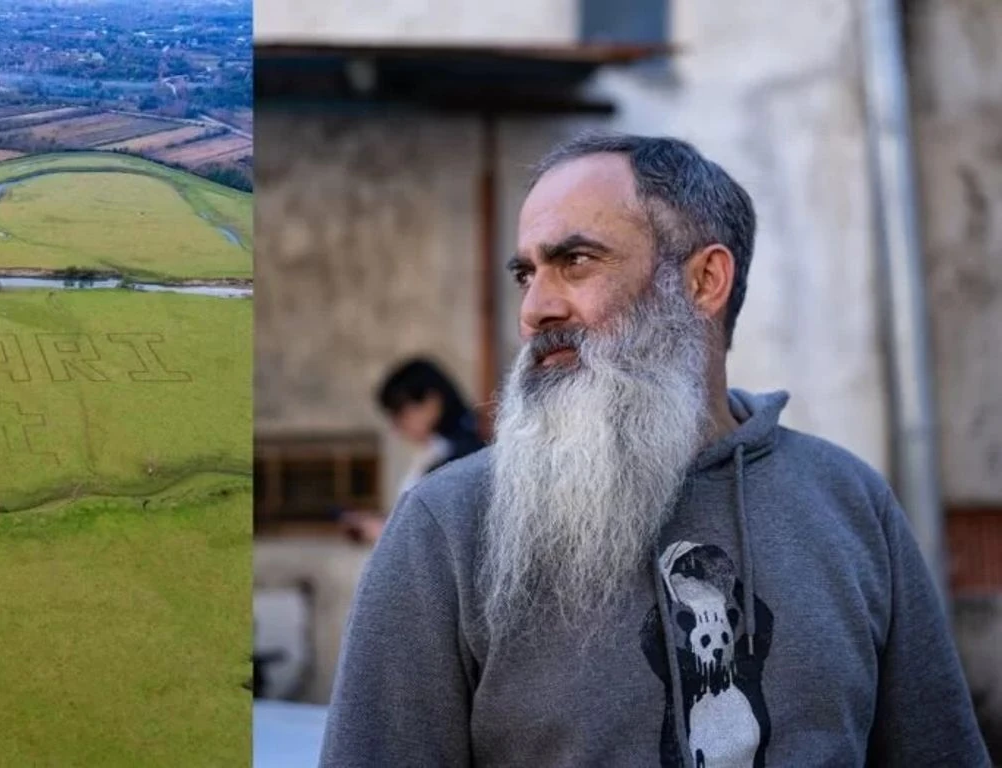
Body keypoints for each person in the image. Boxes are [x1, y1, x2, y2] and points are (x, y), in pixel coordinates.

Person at [319, 133, 991, 767]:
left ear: (704, 282)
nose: (535, 310)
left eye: (576, 262)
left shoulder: (850, 502)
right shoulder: (447, 527)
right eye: (526, 274)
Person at [339, 358, 487, 544]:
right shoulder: (441, 450)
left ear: (431, 402)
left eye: (400, 413)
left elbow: (446, 537)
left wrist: (383, 532)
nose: (397, 426)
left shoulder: (465, 453)